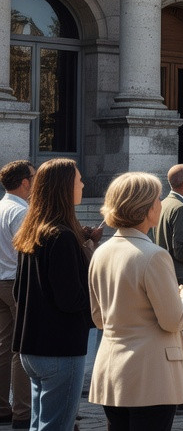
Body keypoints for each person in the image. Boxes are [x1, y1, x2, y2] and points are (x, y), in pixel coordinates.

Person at [87, 171, 183, 430]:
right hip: (151, 374)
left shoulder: (101, 251)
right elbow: (174, 320)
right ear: (146, 208)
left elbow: (98, 318)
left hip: (112, 368)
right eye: (157, 199)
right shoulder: (154, 255)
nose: (161, 204)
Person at [12, 158, 96, 431]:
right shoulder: (61, 236)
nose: (82, 184)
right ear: (63, 187)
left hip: (32, 347)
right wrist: (99, 303)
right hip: (60, 348)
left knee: (41, 424)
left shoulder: (33, 231)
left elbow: (18, 290)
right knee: (55, 425)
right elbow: (70, 299)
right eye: (78, 180)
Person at [0, 161, 33, 429]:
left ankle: (2, 407)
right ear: (24, 182)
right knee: (22, 348)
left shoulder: (1, 206)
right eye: (34, 177)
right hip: (15, 283)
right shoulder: (21, 212)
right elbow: (28, 252)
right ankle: (23, 411)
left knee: (4, 348)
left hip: (1, 281)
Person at [156, 164, 183, 363]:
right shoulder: (181, 208)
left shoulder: (164, 203)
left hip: (166, 275)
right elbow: (181, 249)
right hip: (182, 279)